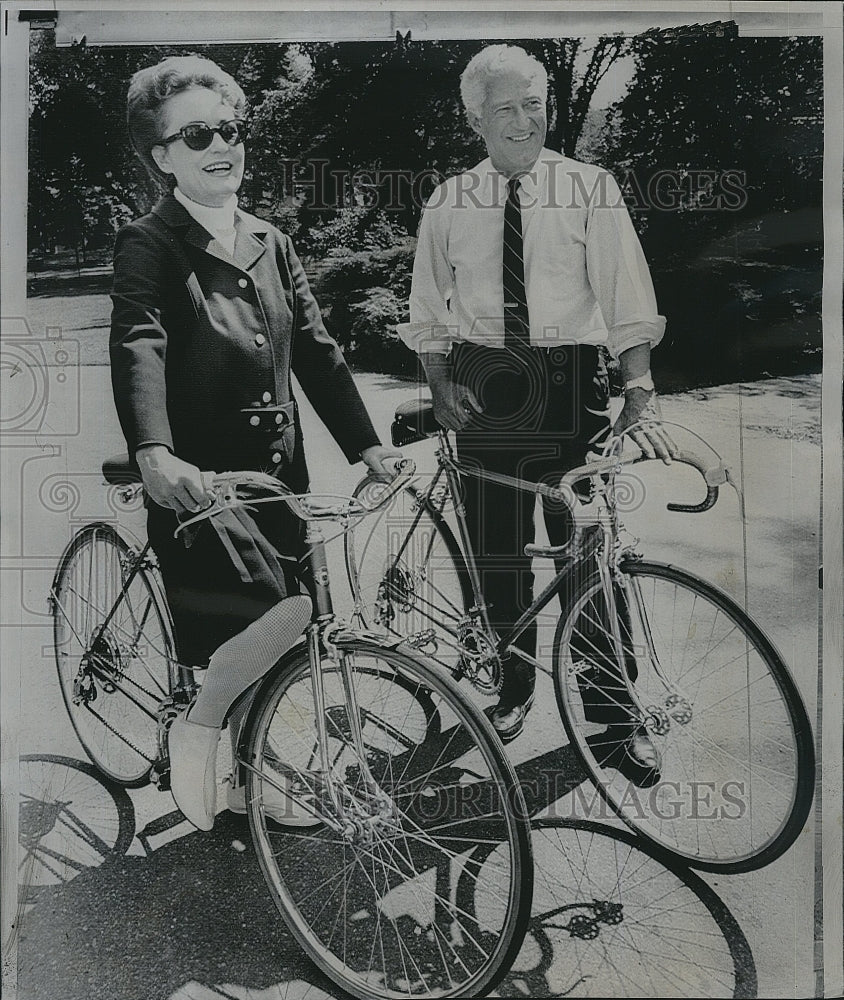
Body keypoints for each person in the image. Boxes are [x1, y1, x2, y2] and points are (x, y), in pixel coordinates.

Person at [111, 55, 400, 829]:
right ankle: (198, 727)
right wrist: (154, 450)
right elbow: (139, 342)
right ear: (162, 155)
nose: (221, 145)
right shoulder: (151, 242)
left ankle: (245, 780)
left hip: (280, 474)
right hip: (199, 480)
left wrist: (367, 446)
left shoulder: (270, 239)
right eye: (197, 133)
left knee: (282, 636)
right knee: (272, 621)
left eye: (230, 129)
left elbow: (316, 347)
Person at [398, 45, 677, 776]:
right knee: (497, 556)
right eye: (505, 109)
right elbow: (428, 306)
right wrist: (438, 379)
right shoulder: (449, 201)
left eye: (534, 103)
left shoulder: (589, 188)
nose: (525, 121)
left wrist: (638, 393)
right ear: (474, 118)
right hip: (482, 383)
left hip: (569, 383)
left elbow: (625, 296)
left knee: (587, 556)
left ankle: (614, 720)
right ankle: (513, 682)